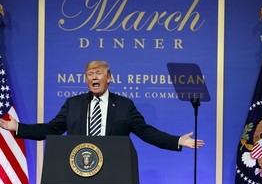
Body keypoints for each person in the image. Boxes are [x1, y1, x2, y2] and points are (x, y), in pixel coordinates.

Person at [0, 60, 204, 150]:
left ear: (109, 79)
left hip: (113, 172)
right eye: (90, 74)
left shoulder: (124, 105)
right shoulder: (73, 104)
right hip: (77, 169)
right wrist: (17, 127)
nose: (94, 77)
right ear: (86, 79)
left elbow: (146, 132)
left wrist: (177, 141)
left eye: (98, 73)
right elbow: (50, 129)